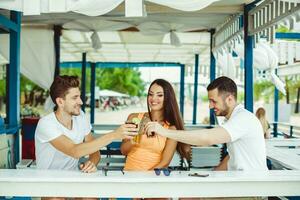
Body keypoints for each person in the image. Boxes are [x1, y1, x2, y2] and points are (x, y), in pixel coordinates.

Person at [145, 76, 267, 171]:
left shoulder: (243, 118)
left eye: (213, 101)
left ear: (229, 99)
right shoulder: (231, 119)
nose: (210, 106)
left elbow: (206, 138)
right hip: (239, 184)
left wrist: (164, 131)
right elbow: (232, 156)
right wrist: (213, 174)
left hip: (249, 190)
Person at [35, 75, 137, 173]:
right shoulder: (46, 124)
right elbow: (74, 150)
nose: (81, 102)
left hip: (73, 180)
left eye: (79, 96)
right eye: (75, 98)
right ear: (60, 102)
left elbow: (95, 151)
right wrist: (114, 135)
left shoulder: (80, 117)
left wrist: (91, 162)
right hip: (47, 183)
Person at [121, 79, 190, 171]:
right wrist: (137, 136)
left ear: (168, 98)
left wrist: (147, 177)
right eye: (150, 94)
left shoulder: (171, 128)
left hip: (152, 178)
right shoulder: (134, 117)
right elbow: (123, 151)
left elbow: (165, 162)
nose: (153, 98)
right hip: (128, 175)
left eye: (160, 95)